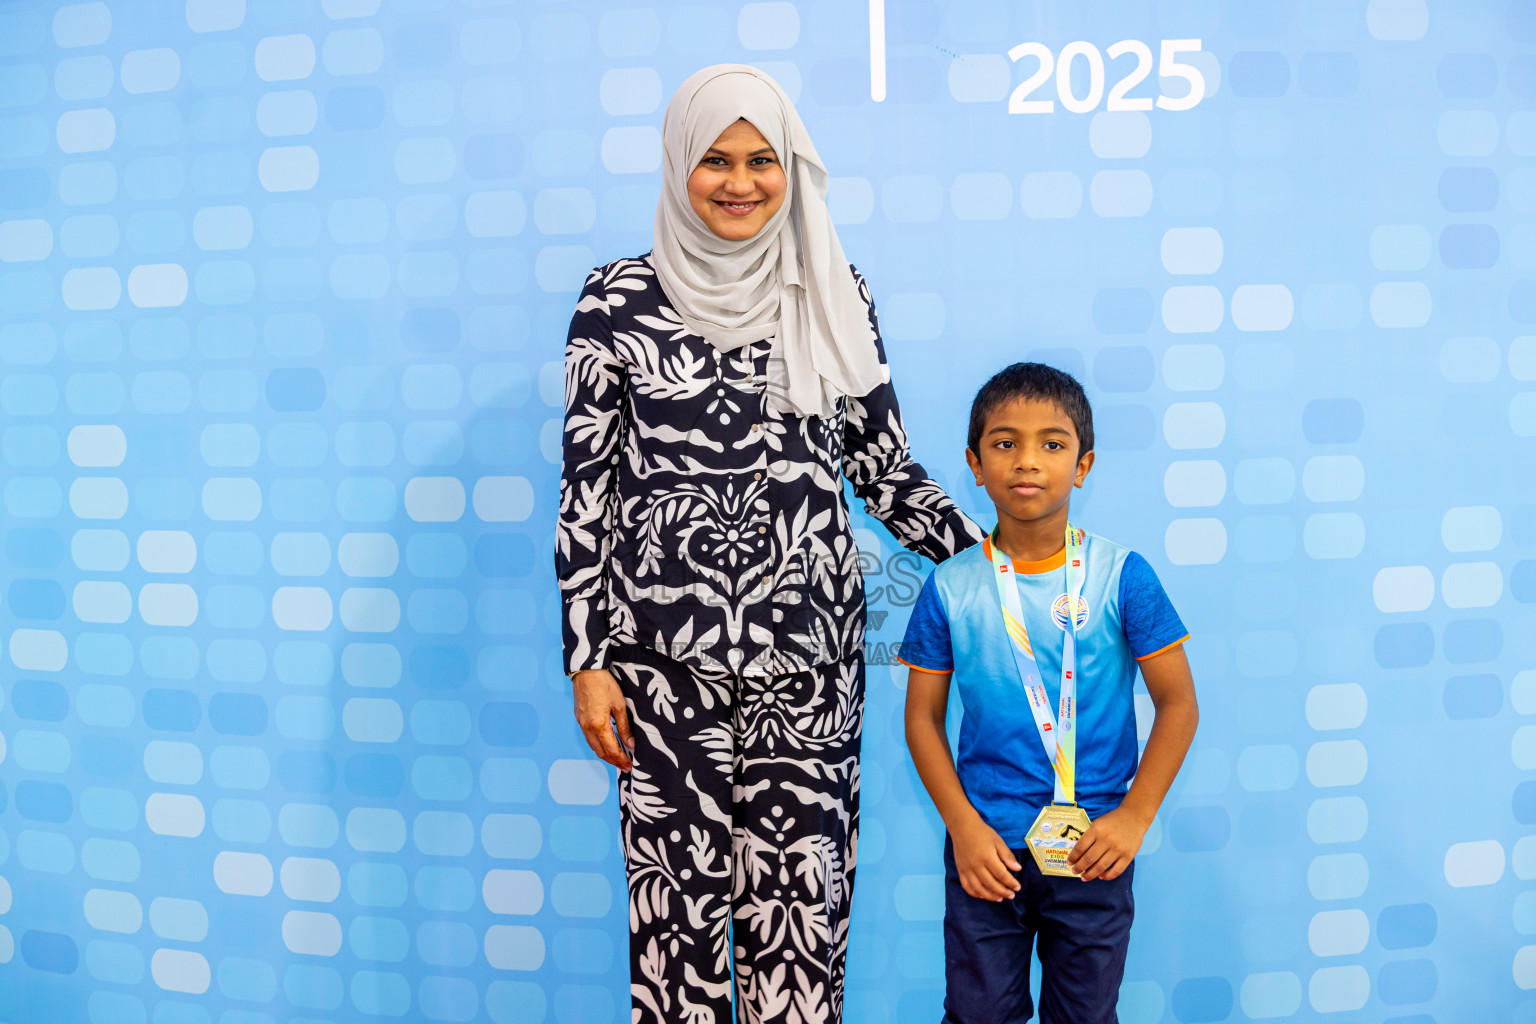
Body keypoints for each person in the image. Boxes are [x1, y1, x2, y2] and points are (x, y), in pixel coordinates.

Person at [556, 65, 985, 1022]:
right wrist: (587, 663)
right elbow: (587, 491)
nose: (740, 182)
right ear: (679, 165)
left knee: (800, 930)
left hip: (809, 677)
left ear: (793, 169)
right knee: (675, 939)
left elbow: (882, 470)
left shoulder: (834, 290)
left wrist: (998, 562)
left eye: (763, 160)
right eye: (716, 159)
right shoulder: (615, 301)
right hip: (661, 678)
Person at [899, 363, 1200, 1024]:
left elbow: (1179, 704)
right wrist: (963, 827)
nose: (1027, 461)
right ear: (975, 465)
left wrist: (1133, 818)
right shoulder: (950, 587)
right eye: (1005, 443)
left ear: (1083, 465)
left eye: (1052, 444)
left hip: (1094, 849)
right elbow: (921, 719)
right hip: (987, 856)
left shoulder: (1124, 576)